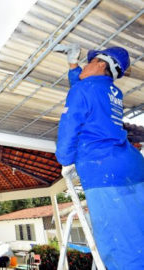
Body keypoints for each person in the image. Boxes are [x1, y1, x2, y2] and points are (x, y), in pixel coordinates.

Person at [54, 44, 144, 270]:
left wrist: (64, 159)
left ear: (101, 64)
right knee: (138, 229)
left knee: (119, 241)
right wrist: (73, 65)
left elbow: (70, 125)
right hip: (132, 166)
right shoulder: (113, 92)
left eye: (89, 61)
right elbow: (84, 87)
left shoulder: (84, 91)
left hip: (104, 170)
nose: (85, 65)